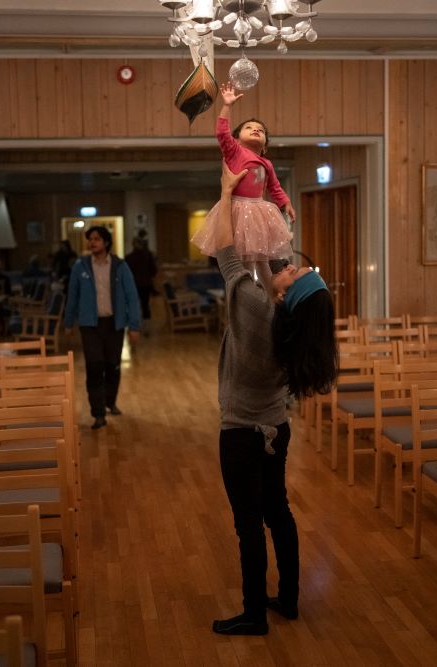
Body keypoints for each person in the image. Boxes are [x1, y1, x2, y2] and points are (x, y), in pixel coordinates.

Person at [210, 162, 337, 636]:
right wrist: (267, 213)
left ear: (288, 294)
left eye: (297, 272)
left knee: (248, 525)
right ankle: (287, 598)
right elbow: (262, 264)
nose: (293, 266)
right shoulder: (295, 332)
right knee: (277, 510)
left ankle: (253, 614)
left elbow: (228, 256)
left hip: (241, 433)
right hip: (275, 430)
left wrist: (227, 195)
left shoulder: (257, 310)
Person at [190, 82, 297, 276]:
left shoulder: (267, 163)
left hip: (259, 209)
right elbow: (222, 133)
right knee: (244, 258)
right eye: (249, 128)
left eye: (261, 130)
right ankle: (248, 291)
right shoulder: (235, 152)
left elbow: (274, 187)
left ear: (265, 146)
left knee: (262, 258)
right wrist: (227, 106)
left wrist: (286, 202)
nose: (256, 130)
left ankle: (270, 294)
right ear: (237, 139)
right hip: (238, 208)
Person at [63, 226, 142, 430]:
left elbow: (132, 296)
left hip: (114, 324)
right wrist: (68, 322)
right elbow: (72, 295)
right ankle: (98, 414)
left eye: (96, 239)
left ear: (106, 242)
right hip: (90, 325)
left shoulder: (120, 266)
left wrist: (134, 326)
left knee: (112, 365)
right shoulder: (80, 266)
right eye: (90, 239)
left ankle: (110, 402)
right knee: (95, 366)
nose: (92, 242)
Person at [124, 236, 158, 325]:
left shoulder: (129, 257)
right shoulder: (148, 256)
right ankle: (147, 324)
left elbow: (126, 273)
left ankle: (134, 323)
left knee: (133, 304)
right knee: (145, 304)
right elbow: (154, 270)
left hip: (133, 284)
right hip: (146, 283)